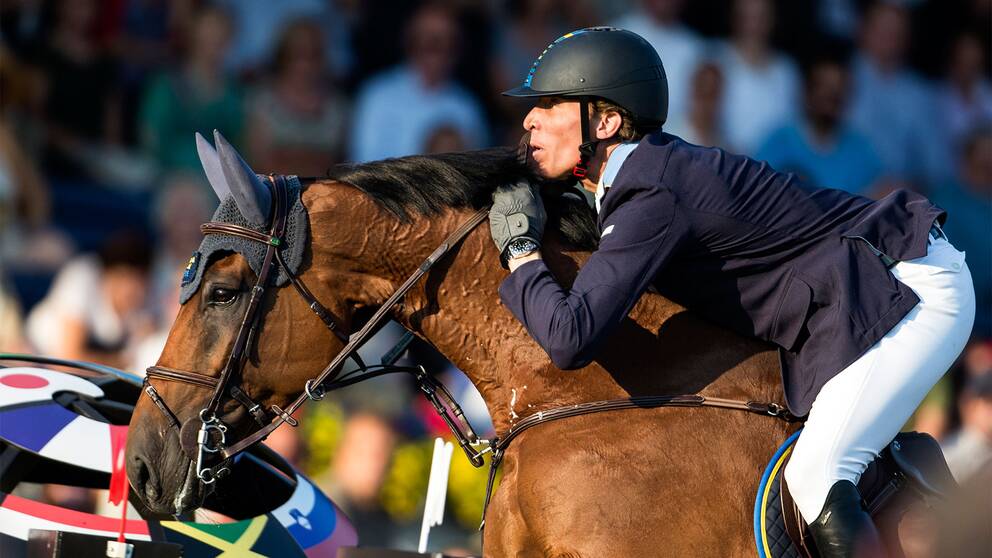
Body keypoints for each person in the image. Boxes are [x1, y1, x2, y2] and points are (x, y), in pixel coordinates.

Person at [492, 27, 975, 557]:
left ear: (604, 123)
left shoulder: (651, 191)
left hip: (908, 289)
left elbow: (570, 338)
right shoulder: (641, 180)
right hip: (861, 294)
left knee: (818, 474)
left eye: (551, 105)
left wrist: (520, 249)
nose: (530, 119)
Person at [349, 2, 486, 162]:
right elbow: (362, 163)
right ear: (410, 41)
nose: (437, 49)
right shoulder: (377, 96)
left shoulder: (466, 106)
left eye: (447, 41)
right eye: (430, 40)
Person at [756, 55, 884, 197]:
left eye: (840, 89)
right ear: (806, 92)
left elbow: (880, 190)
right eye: (824, 87)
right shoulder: (778, 142)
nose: (832, 95)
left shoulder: (861, 147)